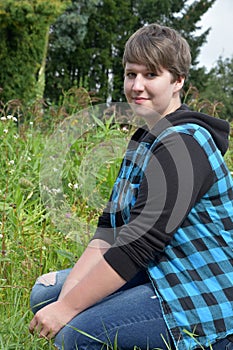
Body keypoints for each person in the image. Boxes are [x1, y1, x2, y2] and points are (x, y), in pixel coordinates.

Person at [29, 23, 233, 350]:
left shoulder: (186, 145)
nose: (136, 86)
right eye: (130, 74)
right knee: (45, 297)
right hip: (160, 269)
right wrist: (64, 302)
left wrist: (68, 311)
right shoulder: (144, 141)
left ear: (178, 80)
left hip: (201, 287)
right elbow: (108, 233)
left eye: (151, 75)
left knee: (76, 334)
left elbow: (138, 245)